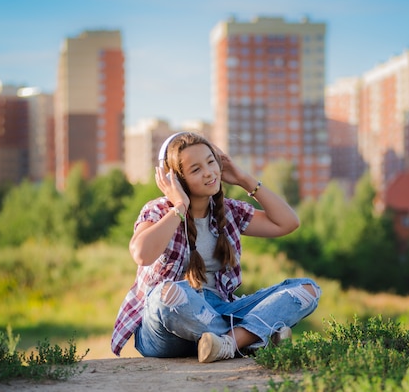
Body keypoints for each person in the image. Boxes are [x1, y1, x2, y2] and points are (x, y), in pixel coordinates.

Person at [111, 131, 321, 363]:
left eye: (211, 162)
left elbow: (288, 223)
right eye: (196, 169)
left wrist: (244, 179)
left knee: (306, 290)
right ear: (177, 180)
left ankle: (228, 343)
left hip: (220, 309)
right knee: (168, 295)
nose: (209, 173)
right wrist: (180, 206)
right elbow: (142, 254)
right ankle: (252, 336)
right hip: (166, 326)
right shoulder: (159, 210)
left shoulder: (229, 210)